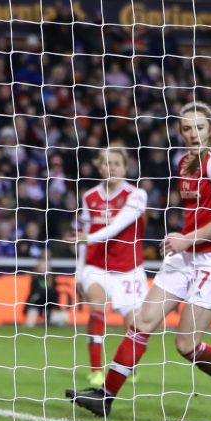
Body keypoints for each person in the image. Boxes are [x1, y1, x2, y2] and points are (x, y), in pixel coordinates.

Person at [70, 101, 211, 417]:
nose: (193, 134)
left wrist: (186, 238)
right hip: (187, 255)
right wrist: (183, 240)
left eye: (199, 127)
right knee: (142, 322)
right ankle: (105, 396)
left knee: (186, 345)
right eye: (187, 128)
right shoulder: (185, 164)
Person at [65, 147, 147, 389]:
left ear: (125, 167)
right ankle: (95, 370)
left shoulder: (137, 195)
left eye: (116, 163)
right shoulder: (90, 196)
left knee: (135, 326)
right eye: (106, 163)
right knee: (96, 308)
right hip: (97, 265)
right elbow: (86, 232)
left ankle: (127, 366)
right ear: (100, 167)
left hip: (129, 268)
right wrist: (79, 273)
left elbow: (116, 227)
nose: (111, 168)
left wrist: (86, 239)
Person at [23, 251, 67, 328]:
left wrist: (57, 307)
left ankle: (49, 321)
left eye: (45, 267)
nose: (44, 269)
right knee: (30, 323)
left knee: (64, 317)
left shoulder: (52, 279)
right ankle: (40, 320)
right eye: (42, 267)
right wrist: (26, 307)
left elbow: (55, 295)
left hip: (48, 309)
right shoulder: (35, 279)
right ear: (38, 268)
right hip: (36, 307)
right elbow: (33, 296)